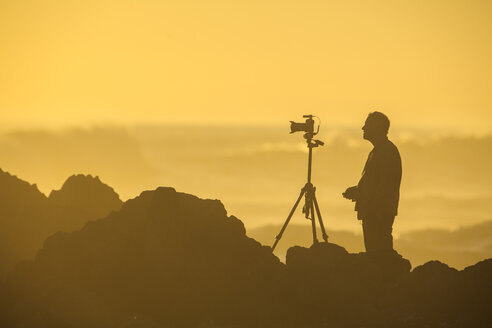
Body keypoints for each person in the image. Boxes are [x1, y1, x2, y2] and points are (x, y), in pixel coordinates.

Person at [342, 112, 402, 253]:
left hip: (378, 214)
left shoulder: (387, 152)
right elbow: (375, 183)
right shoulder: (378, 151)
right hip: (374, 213)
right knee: (375, 253)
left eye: (367, 125)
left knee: (380, 254)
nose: (363, 128)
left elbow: (385, 187)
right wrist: (357, 191)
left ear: (378, 128)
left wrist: (361, 194)